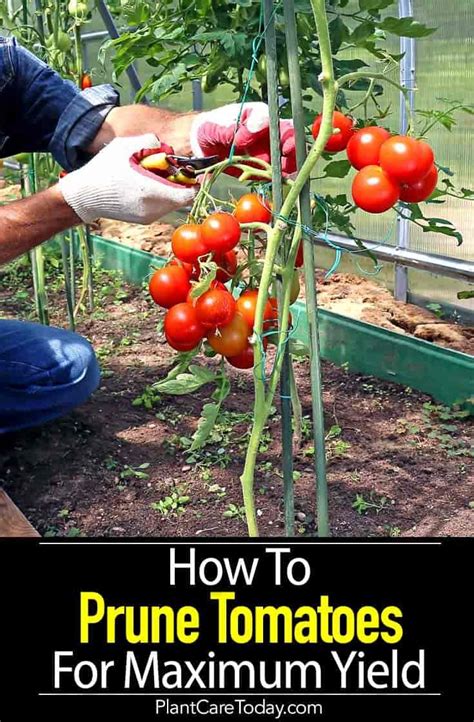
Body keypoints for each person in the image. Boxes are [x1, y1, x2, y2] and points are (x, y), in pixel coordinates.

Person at [0, 35, 296, 434]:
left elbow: (93, 123)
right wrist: (73, 200)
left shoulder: (5, 61)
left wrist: (189, 132)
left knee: (65, 369)